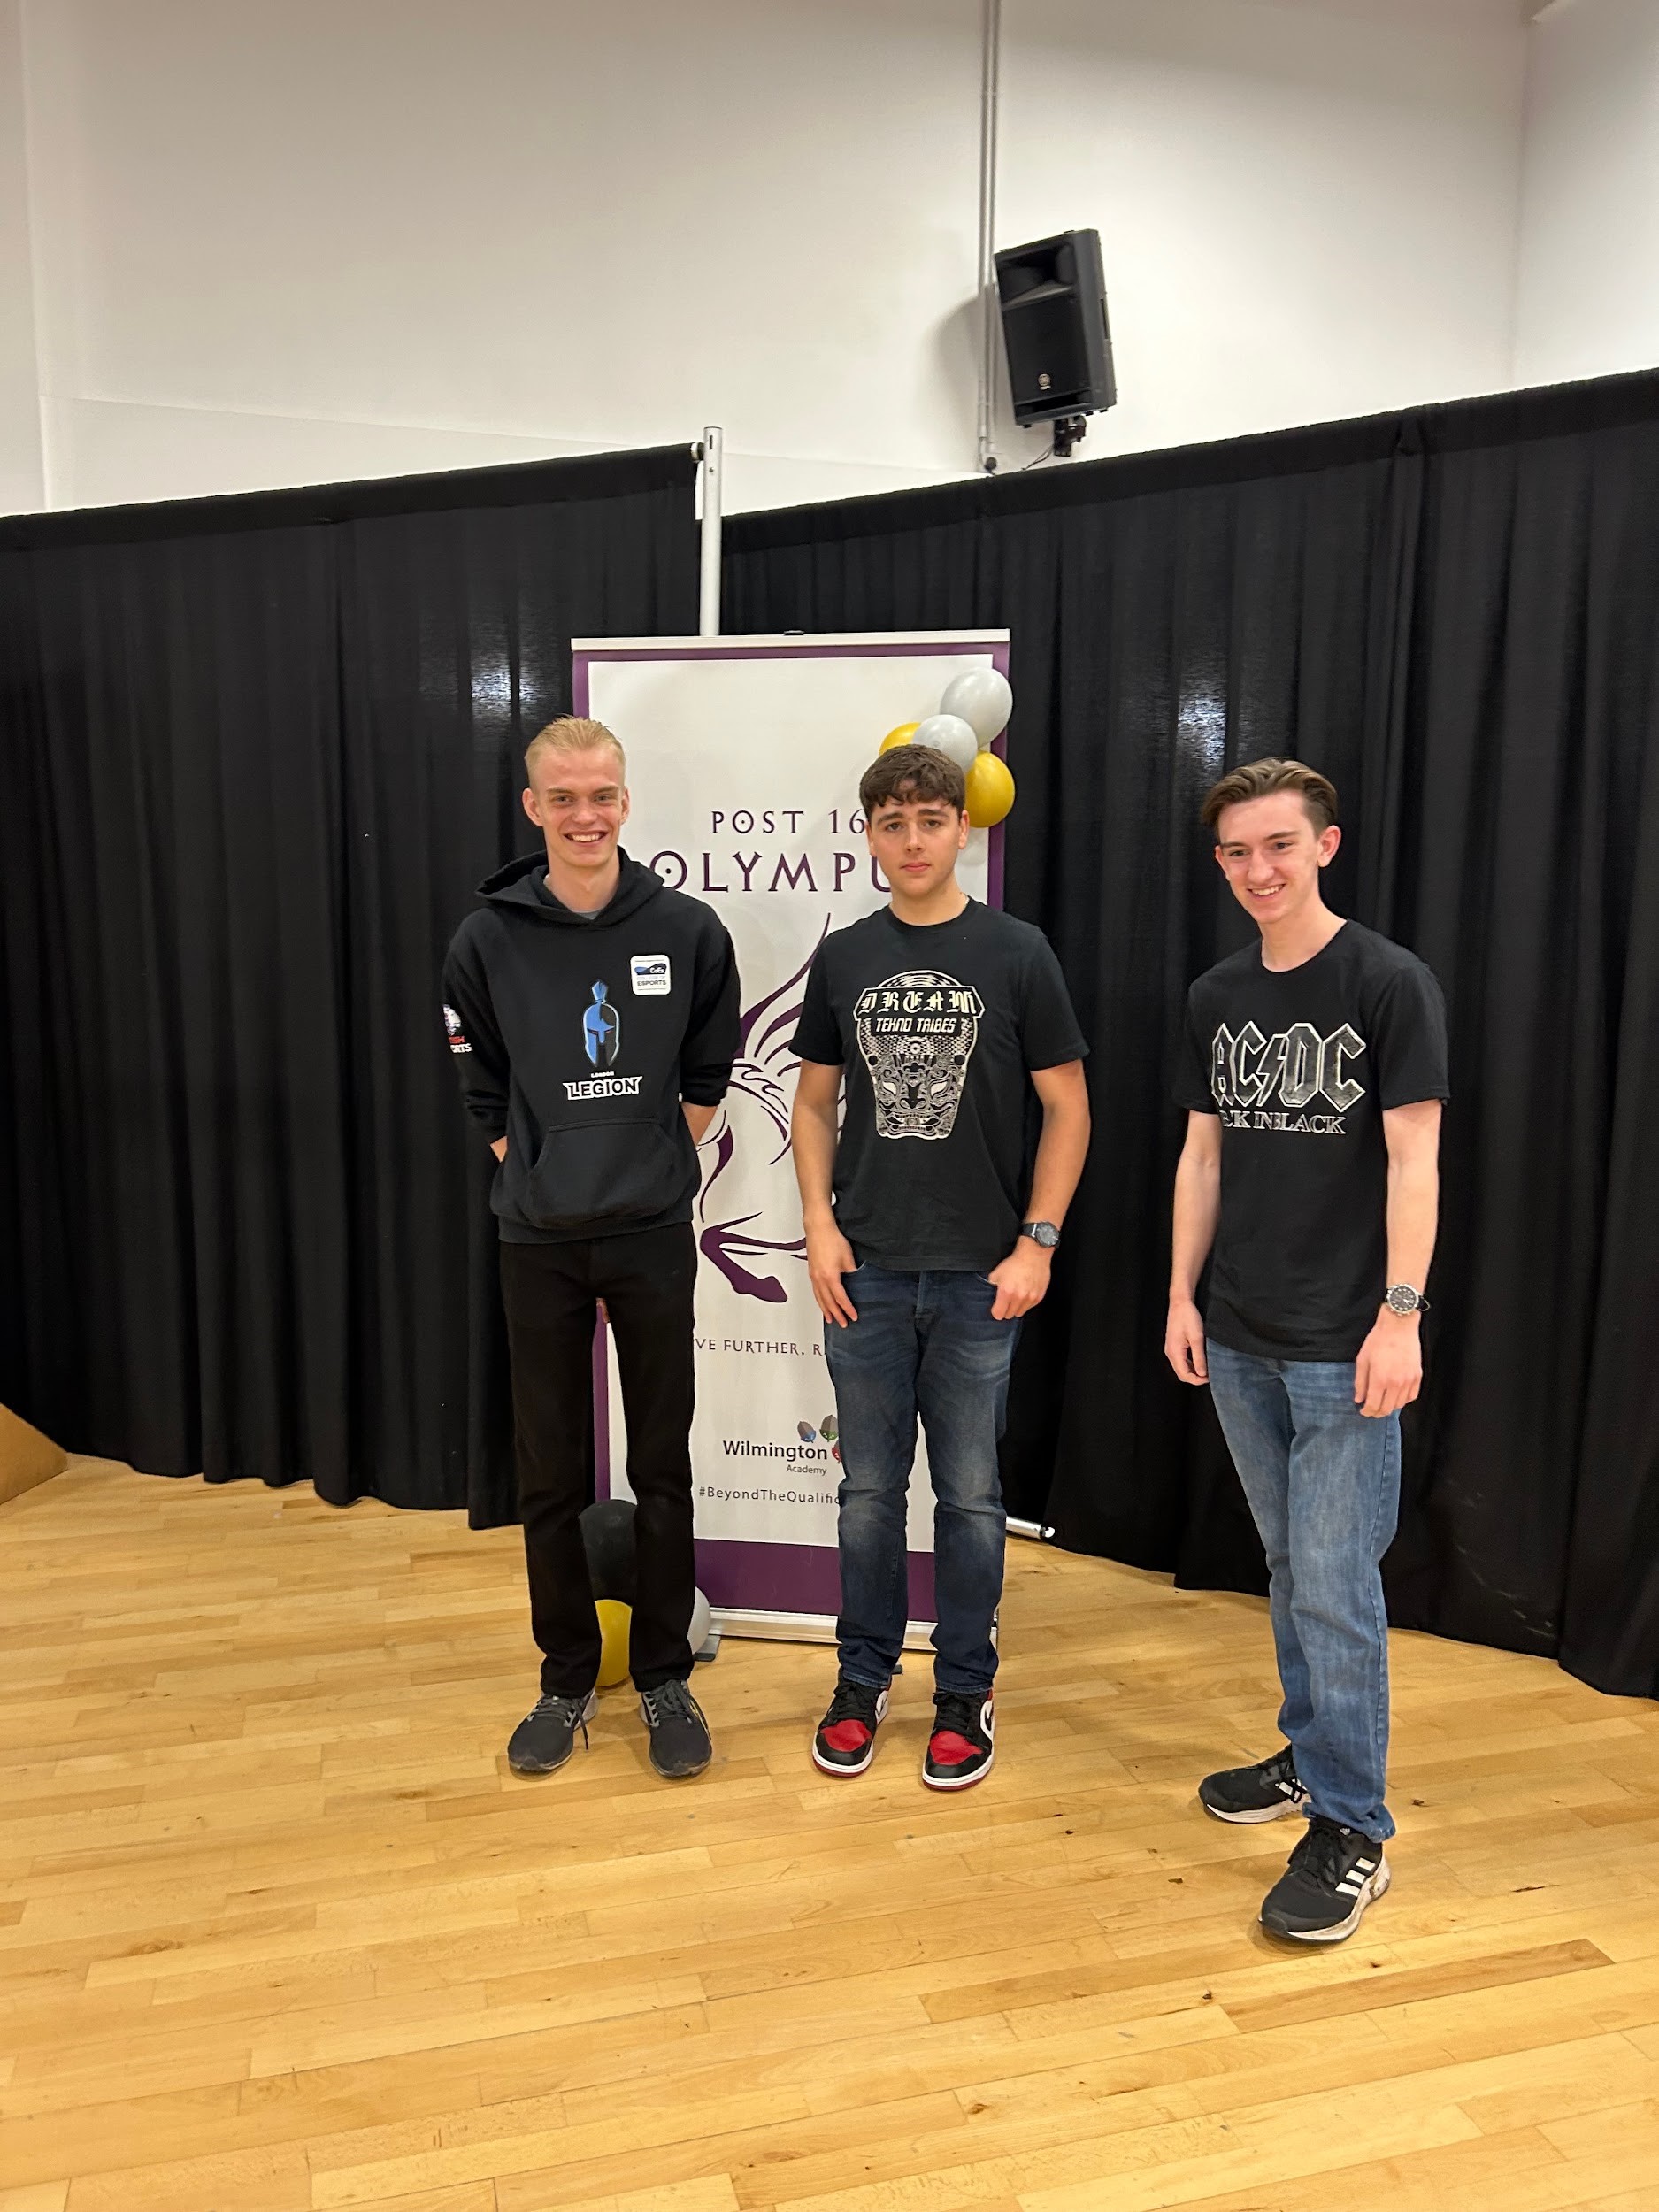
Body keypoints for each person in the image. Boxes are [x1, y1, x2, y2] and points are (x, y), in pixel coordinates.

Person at [1165, 756, 1448, 1942]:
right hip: (1236, 1331)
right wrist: (1180, 1295)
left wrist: (1399, 1313)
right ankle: (1305, 1753)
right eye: (1235, 852)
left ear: (1322, 846)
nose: (1255, 870)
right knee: (1289, 1569)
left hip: (1345, 1341)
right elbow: (1202, 1157)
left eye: (1276, 845)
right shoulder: (1214, 993)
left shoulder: (1387, 983)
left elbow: (1411, 1161)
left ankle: (1351, 1828)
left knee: (1334, 1583)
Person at [442, 716, 739, 1782]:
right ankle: (567, 1675)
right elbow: (477, 1068)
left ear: (626, 799)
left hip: (652, 1229)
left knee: (663, 1463)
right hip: (539, 1240)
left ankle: (663, 1673)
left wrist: (655, 1153)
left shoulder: (689, 928)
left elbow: (711, 1062)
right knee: (548, 1472)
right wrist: (533, 1155)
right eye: (562, 797)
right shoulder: (486, 937)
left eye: (601, 794)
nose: (584, 814)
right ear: (533, 808)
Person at [790, 743, 1091, 1790]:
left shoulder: (1018, 952)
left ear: (965, 828)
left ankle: (964, 1687)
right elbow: (814, 1101)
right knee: (868, 1493)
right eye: (891, 823)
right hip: (864, 1271)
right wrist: (820, 1228)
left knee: (968, 1498)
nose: (911, 841)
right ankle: (862, 1679)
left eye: (930, 820)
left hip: (978, 1277)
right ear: (869, 836)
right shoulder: (846, 957)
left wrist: (1037, 1240)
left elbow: (1068, 1106)